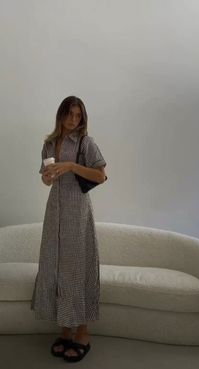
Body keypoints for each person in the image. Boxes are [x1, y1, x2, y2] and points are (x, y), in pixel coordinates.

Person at [30, 96, 107, 362]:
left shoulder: (86, 143)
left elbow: (101, 175)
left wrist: (73, 166)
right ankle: (65, 331)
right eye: (70, 114)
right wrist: (47, 176)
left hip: (78, 214)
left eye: (79, 115)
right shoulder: (49, 143)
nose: (74, 120)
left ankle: (82, 334)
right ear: (61, 115)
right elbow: (46, 180)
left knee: (78, 270)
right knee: (57, 269)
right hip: (55, 214)